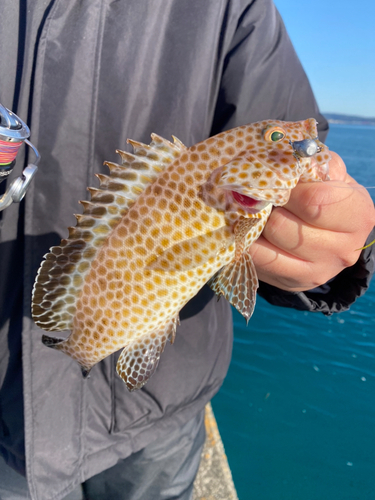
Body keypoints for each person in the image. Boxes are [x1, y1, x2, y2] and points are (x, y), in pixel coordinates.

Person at [0, 1, 374, 499]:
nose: (294, 144)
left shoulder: (235, 10)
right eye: (275, 139)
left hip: (157, 422)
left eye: (279, 140)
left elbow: (316, 168)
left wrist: (332, 240)